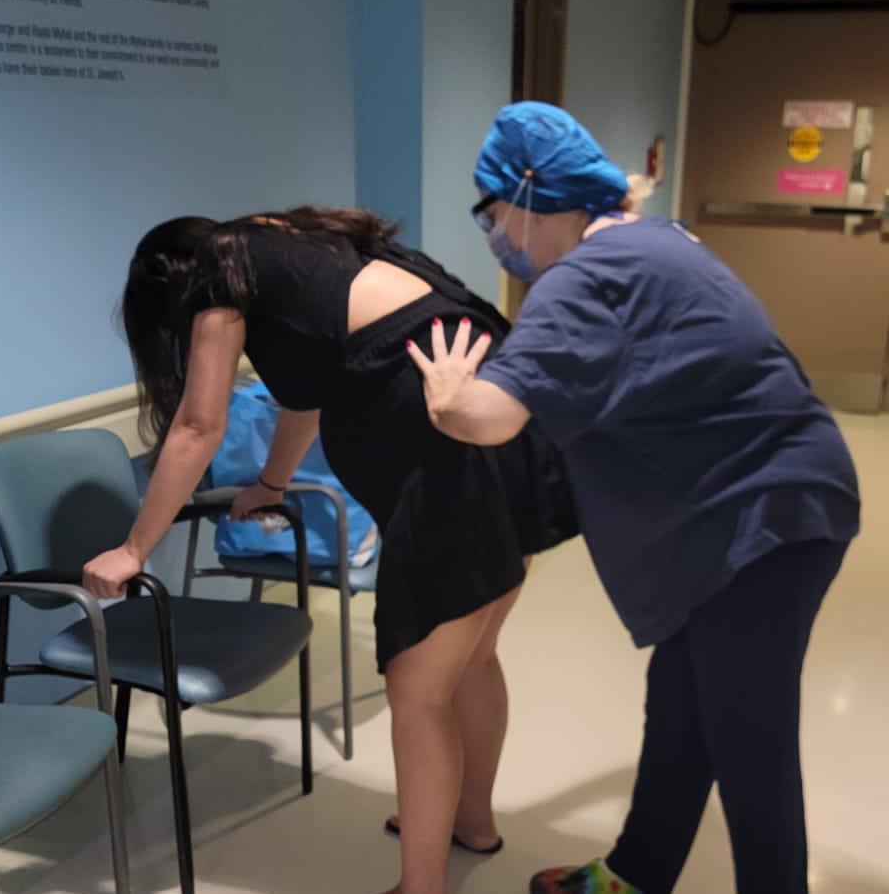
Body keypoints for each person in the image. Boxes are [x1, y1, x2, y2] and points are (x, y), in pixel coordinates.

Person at [408, 101, 861, 894]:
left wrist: (447, 395)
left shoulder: (583, 278)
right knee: (682, 699)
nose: (493, 235)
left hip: (760, 518)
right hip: (767, 496)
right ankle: (636, 871)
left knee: (747, 740)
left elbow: (488, 416)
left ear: (525, 193)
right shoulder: (657, 237)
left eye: (489, 213)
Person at [82, 207, 576, 894]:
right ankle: (470, 820)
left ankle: (421, 884)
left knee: (418, 688)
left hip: (450, 461)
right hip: (505, 418)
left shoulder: (217, 280)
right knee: (472, 656)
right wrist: (271, 483)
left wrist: (135, 548)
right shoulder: (300, 249)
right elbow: (305, 398)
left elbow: (198, 423)